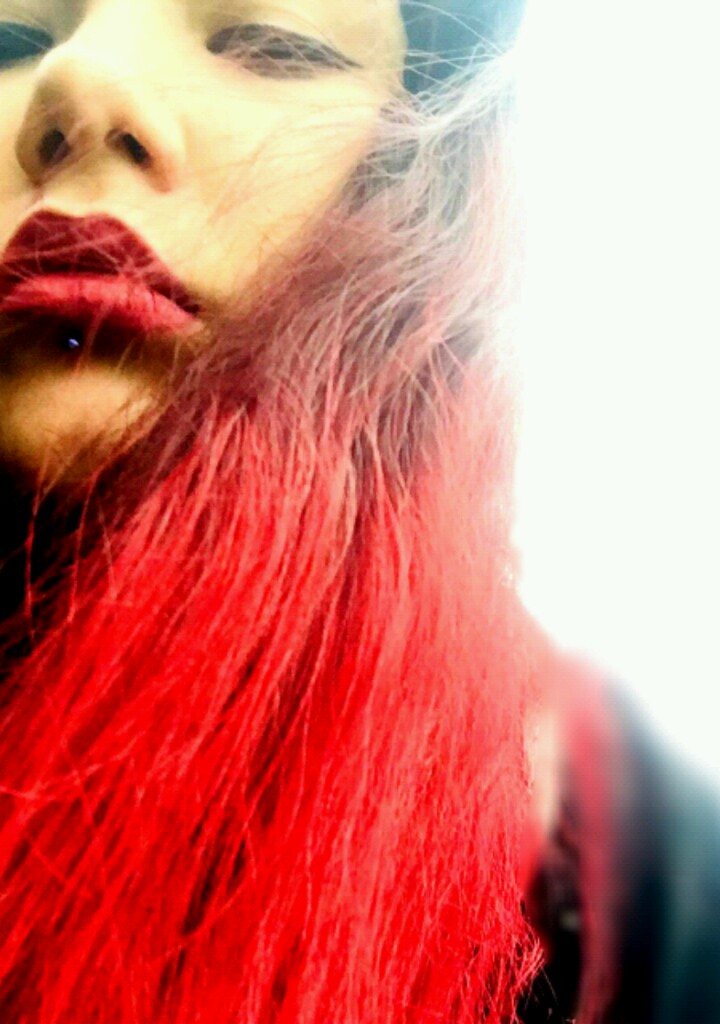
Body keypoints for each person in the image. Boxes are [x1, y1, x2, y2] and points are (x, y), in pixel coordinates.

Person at [0, 2, 717, 1022]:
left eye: (273, 44)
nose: (75, 79)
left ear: (433, 194)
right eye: (15, 42)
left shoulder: (637, 886)